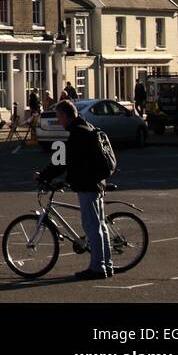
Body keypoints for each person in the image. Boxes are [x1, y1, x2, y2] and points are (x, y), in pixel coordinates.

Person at [39, 99, 114, 279]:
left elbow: (63, 161)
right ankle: (107, 264)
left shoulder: (77, 134)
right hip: (97, 182)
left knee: (92, 227)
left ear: (65, 115)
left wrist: (45, 176)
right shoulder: (86, 126)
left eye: (59, 117)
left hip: (88, 185)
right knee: (100, 226)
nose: (59, 121)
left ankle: (98, 267)